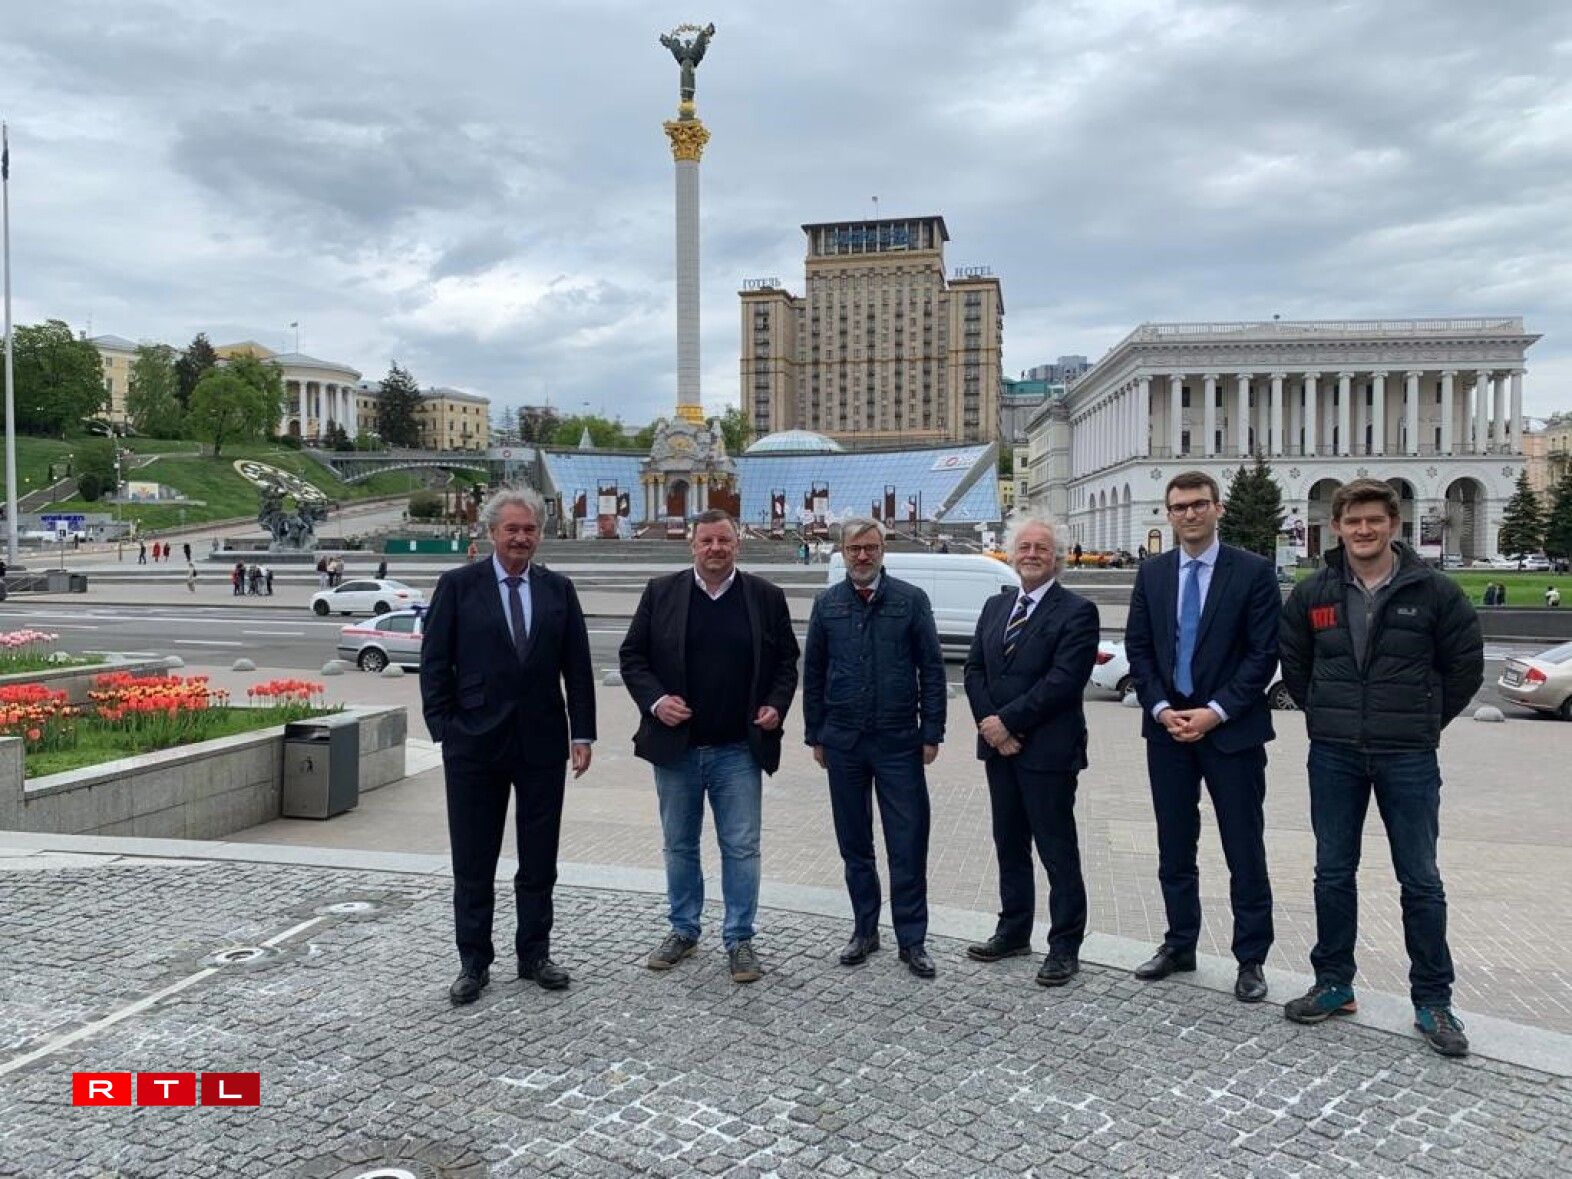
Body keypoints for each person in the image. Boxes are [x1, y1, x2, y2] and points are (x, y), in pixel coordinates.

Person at [1279, 479, 1483, 1058]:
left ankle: (1433, 999)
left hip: (1408, 754)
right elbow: (1295, 664)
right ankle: (1334, 982)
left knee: (1420, 878)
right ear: (1337, 526)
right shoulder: (1314, 592)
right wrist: (1324, 713)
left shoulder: (1434, 591)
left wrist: (1424, 720)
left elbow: (1464, 665)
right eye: (1352, 521)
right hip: (1335, 751)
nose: (1363, 530)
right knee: (1332, 873)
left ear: (1393, 524)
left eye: (1374, 520)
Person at [419, 488, 596, 1006]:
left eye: (530, 530)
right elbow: (434, 665)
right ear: (491, 533)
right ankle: (473, 962)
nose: (521, 538)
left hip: (542, 742)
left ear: (541, 534)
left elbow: (578, 670)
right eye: (512, 529)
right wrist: (446, 729)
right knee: (474, 859)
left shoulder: (559, 590)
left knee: (539, 857)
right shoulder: (457, 586)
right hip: (473, 744)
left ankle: (534, 954)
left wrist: (581, 734)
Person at [619, 509, 800, 984]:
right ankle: (683, 929)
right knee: (679, 845)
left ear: (737, 544)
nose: (715, 549)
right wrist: (656, 702)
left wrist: (777, 705)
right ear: (692, 545)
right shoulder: (661, 593)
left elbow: (786, 664)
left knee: (741, 847)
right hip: (677, 750)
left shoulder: (765, 596)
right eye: (707, 541)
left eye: (724, 540)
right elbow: (632, 657)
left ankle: (739, 937)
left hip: (738, 749)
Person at [1123, 472, 1279, 1003]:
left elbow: (1263, 655)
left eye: (1198, 505)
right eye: (1178, 507)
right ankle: (1179, 942)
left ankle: (1251, 958)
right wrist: (1163, 708)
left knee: (1243, 848)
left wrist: (1214, 712)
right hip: (1167, 732)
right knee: (1174, 844)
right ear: (1167, 514)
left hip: (1231, 733)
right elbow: (1139, 648)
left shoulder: (1253, 572)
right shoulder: (1154, 573)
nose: (1188, 515)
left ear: (1218, 508)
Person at [802, 517, 946, 978]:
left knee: (907, 842)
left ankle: (913, 939)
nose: (862, 556)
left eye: (870, 547)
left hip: (899, 741)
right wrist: (814, 733)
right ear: (842, 551)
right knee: (855, 842)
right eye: (854, 549)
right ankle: (865, 930)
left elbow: (933, 669)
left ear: (884, 548)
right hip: (843, 741)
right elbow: (815, 674)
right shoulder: (827, 604)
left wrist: (932, 731)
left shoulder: (910, 600)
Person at [963, 513, 1100, 988]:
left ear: (1058, 557)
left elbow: (1062, 683)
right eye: (1024, 547)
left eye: (1042, 548)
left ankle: (1065, 945)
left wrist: (1009, 722)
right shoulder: (994, 608)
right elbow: (974, 670)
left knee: (1057, 850)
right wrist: (992, 727)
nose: (1032, 554)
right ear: (1011, 553)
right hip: (1000, 749)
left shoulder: (1078, 611)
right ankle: (1014, 929)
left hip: (1047, 752)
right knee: (1009, 844)